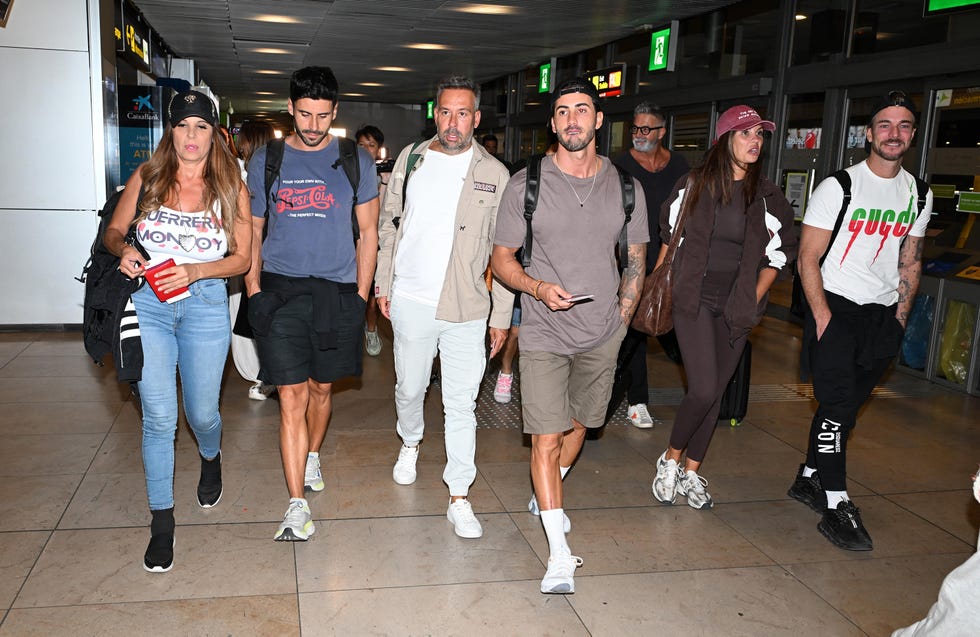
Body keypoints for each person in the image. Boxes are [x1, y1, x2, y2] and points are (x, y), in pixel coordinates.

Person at [491, 77, 649, 593]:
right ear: (553, 123)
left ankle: (548, 492)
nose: (572, 119)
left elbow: (636, 262)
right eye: (562, 111)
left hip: (602, 334)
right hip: (543, 332)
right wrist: (537, 288)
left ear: (598, 120)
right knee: (546, 435)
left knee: (581, 425)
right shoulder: (526, 185)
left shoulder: (627, 188)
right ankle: (559, 554)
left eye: (582, 110)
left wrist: (621, 321)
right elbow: (501, 260)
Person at [104, 90, 252, 572]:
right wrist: (124, 251)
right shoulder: (147, 177)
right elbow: (113, 232)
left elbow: (242, 259)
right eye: (183, 125)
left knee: (202, 413)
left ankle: (211, 456)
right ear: (171, 131)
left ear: (214, 134)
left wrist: (195, 271)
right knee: (159, 418)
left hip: (205, 304)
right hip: (149, 304)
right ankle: (162, 522)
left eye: (201, 126)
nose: (191, 135)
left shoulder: (230, 188)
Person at [787, 91, 931, 551]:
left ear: (912, 134)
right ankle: (836, 502)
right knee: (836, 406)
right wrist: (823, 318)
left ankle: (809, 477)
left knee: (845, 410)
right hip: (836, 306)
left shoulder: (919, 193)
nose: (894, 133)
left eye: (904, 125)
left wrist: (899, 320)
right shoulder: (839, 186)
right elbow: (807, 257)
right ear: (869, 134)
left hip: (882, 315)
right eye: (885, 124)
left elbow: (910, 260)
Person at [244, 67, 380, 541]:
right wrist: (253, 289)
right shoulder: (268, 158)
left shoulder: (355, 159)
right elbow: (253, 229)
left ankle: (313, 454)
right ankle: (296, 504)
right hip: (280, 293)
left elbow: (369, 234)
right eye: (305, 114)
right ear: (291, 108)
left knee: (322, 390)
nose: (314, 125)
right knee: (291, 396)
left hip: (336, 292)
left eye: (323, 116)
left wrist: (360, 296)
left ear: (335, 111)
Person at [376, 75, 512, 539]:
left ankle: (459, 495)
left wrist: (500, 316)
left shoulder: (495, 174)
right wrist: (383, 283)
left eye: (463, 113)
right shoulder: (411, 159)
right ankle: (410, 441)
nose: (453, 123)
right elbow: (389, 224)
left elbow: (505, 252)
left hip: (467, 306)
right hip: (411, 299)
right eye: (446, 112)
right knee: (410, 389)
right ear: (436, 114)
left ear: (477, 118)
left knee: (461, 405)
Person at [651, 105, 797, 510]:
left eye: (760, 134)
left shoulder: (767, 196)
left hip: (737, 306)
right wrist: (654, 288)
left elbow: (780, 254)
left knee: (715, 393)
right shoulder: (694, 185)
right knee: (701, 388)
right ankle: (670, 459)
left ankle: (692, 471)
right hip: (693, 298)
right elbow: (670, 238)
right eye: (746, 133)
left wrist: (753, 295)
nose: (755, 141)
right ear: (724, 139)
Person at [612, 102, 689, 428]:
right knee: (634, 333)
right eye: (635, 128)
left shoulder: (680, 166)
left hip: (672, 261)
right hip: (631, 259)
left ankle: (703, 391)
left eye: (646, 129)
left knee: (677, 328)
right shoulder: (619, 166)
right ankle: (637, 400)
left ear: (662, 131)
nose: (639, 135)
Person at [227, 120, 276, 400]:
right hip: (256, 253)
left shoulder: (249, 173)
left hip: (255, 253)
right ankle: (265, 374)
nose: (239, 145)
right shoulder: (246, 170)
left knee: (256, 314)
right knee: (254, 314)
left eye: (242, 139)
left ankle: (266, 375)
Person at [355, 124, 389, 357]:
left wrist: (385, 183)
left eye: (371, 145)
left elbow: (384, 212)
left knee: (371, 295)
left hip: (376, 241)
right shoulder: (347, 171)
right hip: (351, 239)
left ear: (379, 149)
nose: (366, 149)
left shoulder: (386, 176)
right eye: (361, 145)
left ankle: (371, 329)